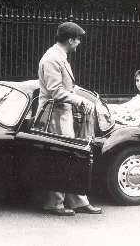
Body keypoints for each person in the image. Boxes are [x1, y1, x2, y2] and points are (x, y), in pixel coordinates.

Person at [37, 21, 102, 216]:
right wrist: (81, 102)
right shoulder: (51, 59)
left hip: (61, 113)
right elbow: (56, 91)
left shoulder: (59, 56)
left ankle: (77, 201)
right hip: (53, 114)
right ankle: (54, 203)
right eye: (78, 39)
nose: (79, 43)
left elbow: (66, 88)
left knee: (71, 155)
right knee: (61, 157)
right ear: (70, 40)